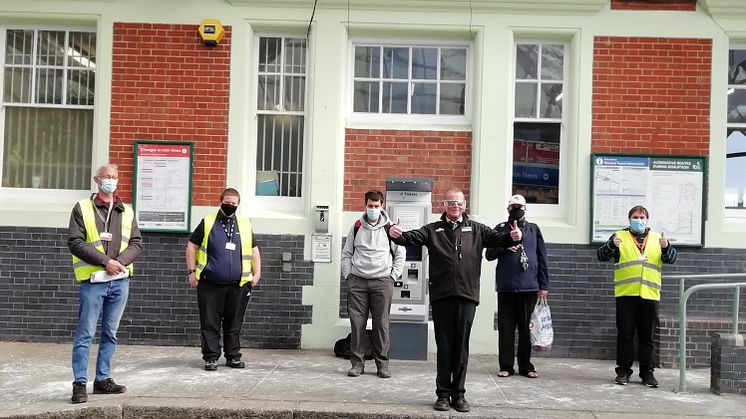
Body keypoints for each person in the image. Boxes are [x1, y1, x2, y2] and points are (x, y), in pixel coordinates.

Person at [389, 188, 522, 412]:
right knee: (444, 346)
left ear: (464, 205)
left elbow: (500, 239)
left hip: (467, 295)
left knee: (461, 348)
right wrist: (394, 232)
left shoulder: (477, 230)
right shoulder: (433, 230)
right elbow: (409, 238)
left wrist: (514, 236)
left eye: (459, 203)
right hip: (441, 295)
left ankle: (459, 395)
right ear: (444, 205)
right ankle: (442, 395)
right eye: (451, 202)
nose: (455, 206)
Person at [68, 164, 143, 404]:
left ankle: (102, 380)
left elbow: (137, 243)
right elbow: (75, 242)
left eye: (114, 177)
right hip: (93, 281)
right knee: (85, 334)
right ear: (96, 180)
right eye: (106, 177)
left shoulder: (126, 211)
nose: (110, 181)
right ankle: (80, 383)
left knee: (110, 333)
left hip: (119, 281)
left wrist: (118, 262)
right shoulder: (83, 208)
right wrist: (105, 262)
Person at [597, 205, 677, 388]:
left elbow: (672, 259)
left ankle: (647, 372)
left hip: (649, 294)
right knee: (625, 334)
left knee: (647, 336)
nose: (638, 220)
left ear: (647, 219)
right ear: (629, 219)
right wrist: (611, 245)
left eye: (642, 217)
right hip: (626, 294)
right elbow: (601, 256)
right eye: (635, 217)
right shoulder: (619, 236)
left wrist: (666, 247)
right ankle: (624, 371)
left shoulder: (658, 238)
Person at [185, 188, 261, 371]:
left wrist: (257, 273)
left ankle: (233, 356)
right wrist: (191, 271)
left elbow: (254, 250)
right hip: (210, 283)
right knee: (209, 322)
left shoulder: (243, 224)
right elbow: (191, 246)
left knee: (234, 323)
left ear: (238, 205)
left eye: (234, 203)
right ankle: (211, 357)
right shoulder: (208, 221)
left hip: (238, 285)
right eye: (227, 202)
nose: (230, 205)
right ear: (221, 201)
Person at [341, 189, 406, 379]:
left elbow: (400, 254)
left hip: (382, 282)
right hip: (358, 282)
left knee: (381, 325)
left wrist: (392, 277)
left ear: (382, 206)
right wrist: (348, 276)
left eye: (377, 206)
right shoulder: (356, 226)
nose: (373, 209)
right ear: (365, 205)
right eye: (370, 206)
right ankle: (357, 364)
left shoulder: (391, 228)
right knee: (357, 324)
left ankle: (382, 365)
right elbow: (347, 254)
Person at [486, 194, 548, 379]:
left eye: (519, 206)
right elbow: (489, 254)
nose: (516, 209)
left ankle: (526, 366)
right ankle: (506, 365)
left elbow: (542, 258)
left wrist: (543, 286)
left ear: (525, 209)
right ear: (508, 209)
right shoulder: (500, 229)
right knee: (505, 329)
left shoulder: (533, 229)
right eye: (513, 206)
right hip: (506, 287)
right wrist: (505, 246)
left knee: (526, 328)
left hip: (529, 288)